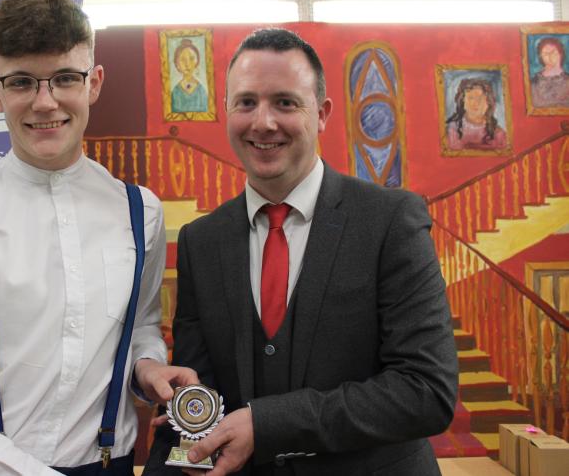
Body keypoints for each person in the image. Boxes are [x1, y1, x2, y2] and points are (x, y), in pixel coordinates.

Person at [0, 0, 196, 475]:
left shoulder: (140, 211)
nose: (45, 102)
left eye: (65, 78)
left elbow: (140, 325)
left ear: (93, 83)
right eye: (21, 82)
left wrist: (147, 366)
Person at [144, 28, 458, 475]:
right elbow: (197, 398)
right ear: (227, 111)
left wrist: (267, 424)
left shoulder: (390, 221)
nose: (263, 122)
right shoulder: (202, 241)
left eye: (285, 103)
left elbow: (425, 390)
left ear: (322, 113)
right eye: (246, 102)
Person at [445, 77, 508, 151]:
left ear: (488, 102)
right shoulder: (452, 130)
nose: (476, 103)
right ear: (462, 101)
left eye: (480, 98)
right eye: (471, 98)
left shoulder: (499, 134)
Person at [171, 38, 209, 113]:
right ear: (177, 64)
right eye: (183, 59)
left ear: (197, 61)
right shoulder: (175, 92)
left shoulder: (201, 91)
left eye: (191, 59)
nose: (187, 64)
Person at [530, 37, 569, 109]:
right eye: (545, 53)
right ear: (541, 57)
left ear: (560, 54)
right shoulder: (534, 82)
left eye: (553, 52)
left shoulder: (567, 80)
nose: (549, 56)